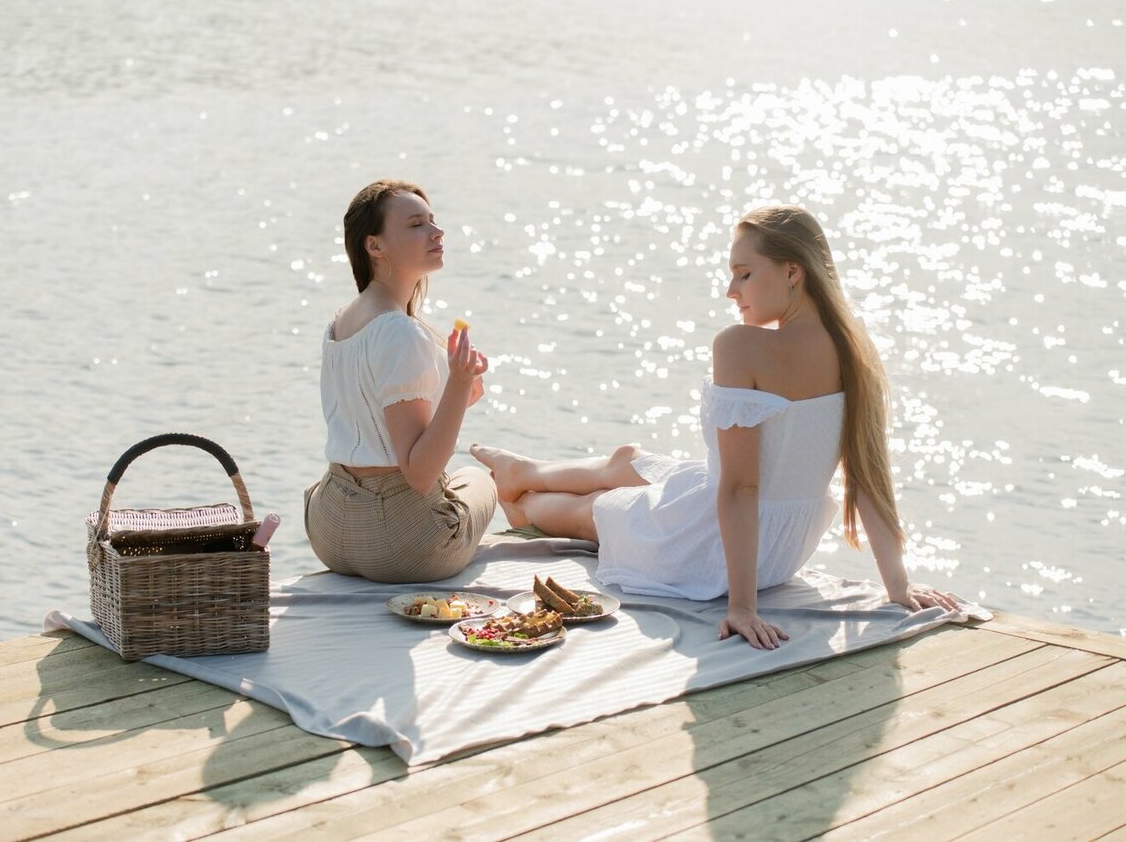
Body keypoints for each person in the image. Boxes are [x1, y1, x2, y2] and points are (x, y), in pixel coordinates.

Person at [472, 205, 960, 649]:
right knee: (630, 461)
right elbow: (868, 477)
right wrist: (897, 584)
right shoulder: (854, 346)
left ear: (793, 272)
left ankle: (520, 500)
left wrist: (742, 607)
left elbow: (742, 488)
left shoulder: (741, 346)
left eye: (744, 274)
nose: (732, 291)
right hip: (783, 550)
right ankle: (524, 470)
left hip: (711, 551)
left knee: (596, 509)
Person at [304, 179, 497, 583]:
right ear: (374, 246)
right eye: (416, 225)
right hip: (399, 545)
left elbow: (371, 417)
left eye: (432, 221)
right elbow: (420, 473)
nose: (436, 232)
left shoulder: (341, 320)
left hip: (329, 529)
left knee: (458, 479)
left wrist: (452, 390)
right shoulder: (400, 332)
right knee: (480, 479)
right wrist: (458, 384)